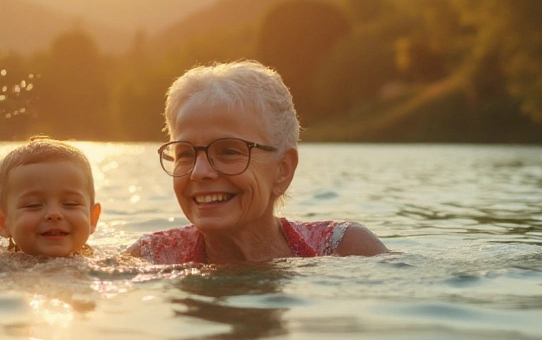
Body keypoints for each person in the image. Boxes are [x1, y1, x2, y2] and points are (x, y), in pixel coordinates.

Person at [126, 60, 386, 265]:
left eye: (228, 151)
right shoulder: (149, 258)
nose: (199, 172)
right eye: (185, 154)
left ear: (283, 169)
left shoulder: (345, 249)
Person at [0, 138, 101, 257]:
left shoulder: (110, 264)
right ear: (2, 222)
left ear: (92, 218)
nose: (54, 214)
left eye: (70, 203)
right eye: (33, 205)